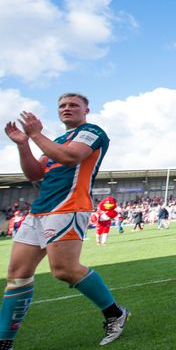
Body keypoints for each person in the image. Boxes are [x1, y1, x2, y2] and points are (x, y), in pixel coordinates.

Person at [1, 93, 129, 348]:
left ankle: (115, 313)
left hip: (68, 207)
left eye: (73, 105)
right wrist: (23, 144)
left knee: (63, 270)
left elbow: (70, 158)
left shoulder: (91, 131)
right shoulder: (56, 140)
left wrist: (36, 135)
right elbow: (35, 173)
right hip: (39, 211)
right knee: (17, 274)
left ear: (86, 110)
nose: (67, 109)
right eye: (62, 105)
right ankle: (4, 340)